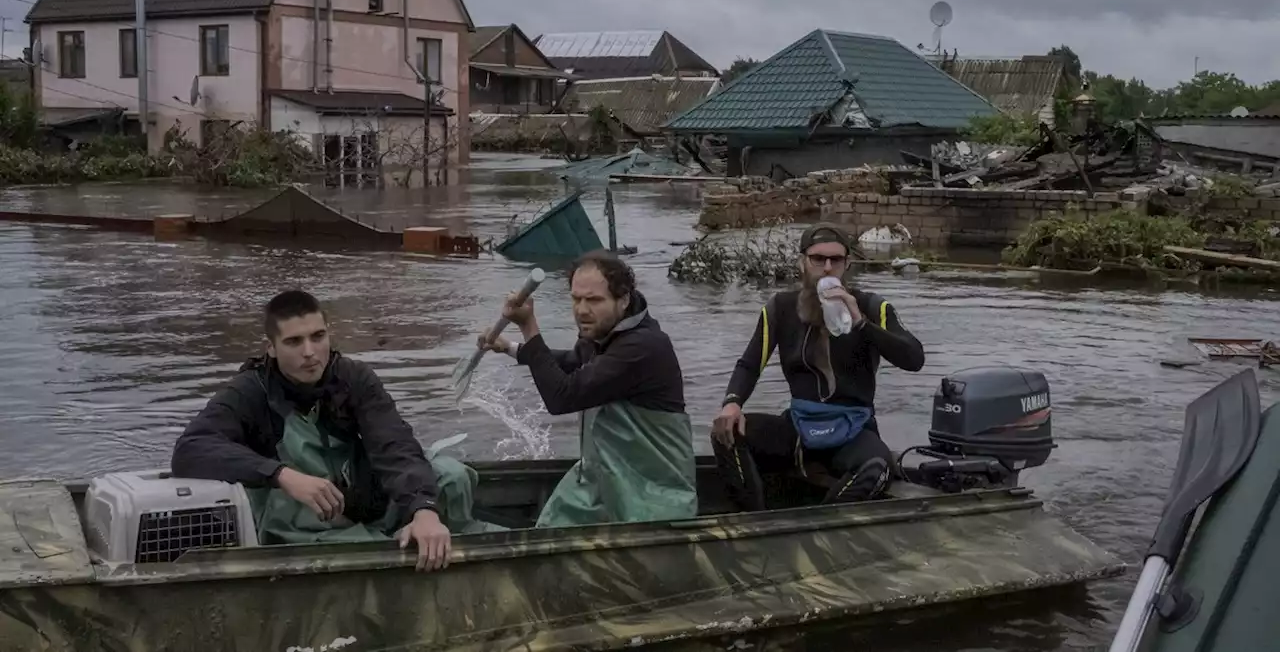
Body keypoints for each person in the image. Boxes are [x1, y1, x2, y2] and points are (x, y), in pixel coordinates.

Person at [171, 290, 482, 571]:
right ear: (272, 349)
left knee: (451, 476)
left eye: (318, 337)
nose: (310, 352)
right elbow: (192, 448)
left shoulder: (354, 378)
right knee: (293, 513)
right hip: (304, 515)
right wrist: (281, 474)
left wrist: (422, 508)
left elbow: (394, 444)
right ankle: (384, 548)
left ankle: (434, 537)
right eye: (294, 342)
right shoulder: (248, 392)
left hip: (359, 493)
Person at [710, 223, 926, 510]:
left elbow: (914, 359)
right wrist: (732, 403)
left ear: (847, 263)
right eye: (817, 259)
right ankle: (757, 522)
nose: (827, 268)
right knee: (726, 431)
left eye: (835, 260)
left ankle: (820, 528)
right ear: (802, 262)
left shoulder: (872, 306)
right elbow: (750, 364)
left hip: (853, 427)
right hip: (799, 427)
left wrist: (861, 323)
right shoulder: (780, 308)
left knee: (877, 467)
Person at [480, 250, 698, 527]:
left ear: (624, 300)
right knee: (548, 531)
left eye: (594, 300)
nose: (582, 310)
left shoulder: (642, 347)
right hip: (605, 477)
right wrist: (510, 348)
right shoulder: (601, 334)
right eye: (576, 299)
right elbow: (571, 363)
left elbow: (562, 397)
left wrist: (528, 325)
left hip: (653, 494)